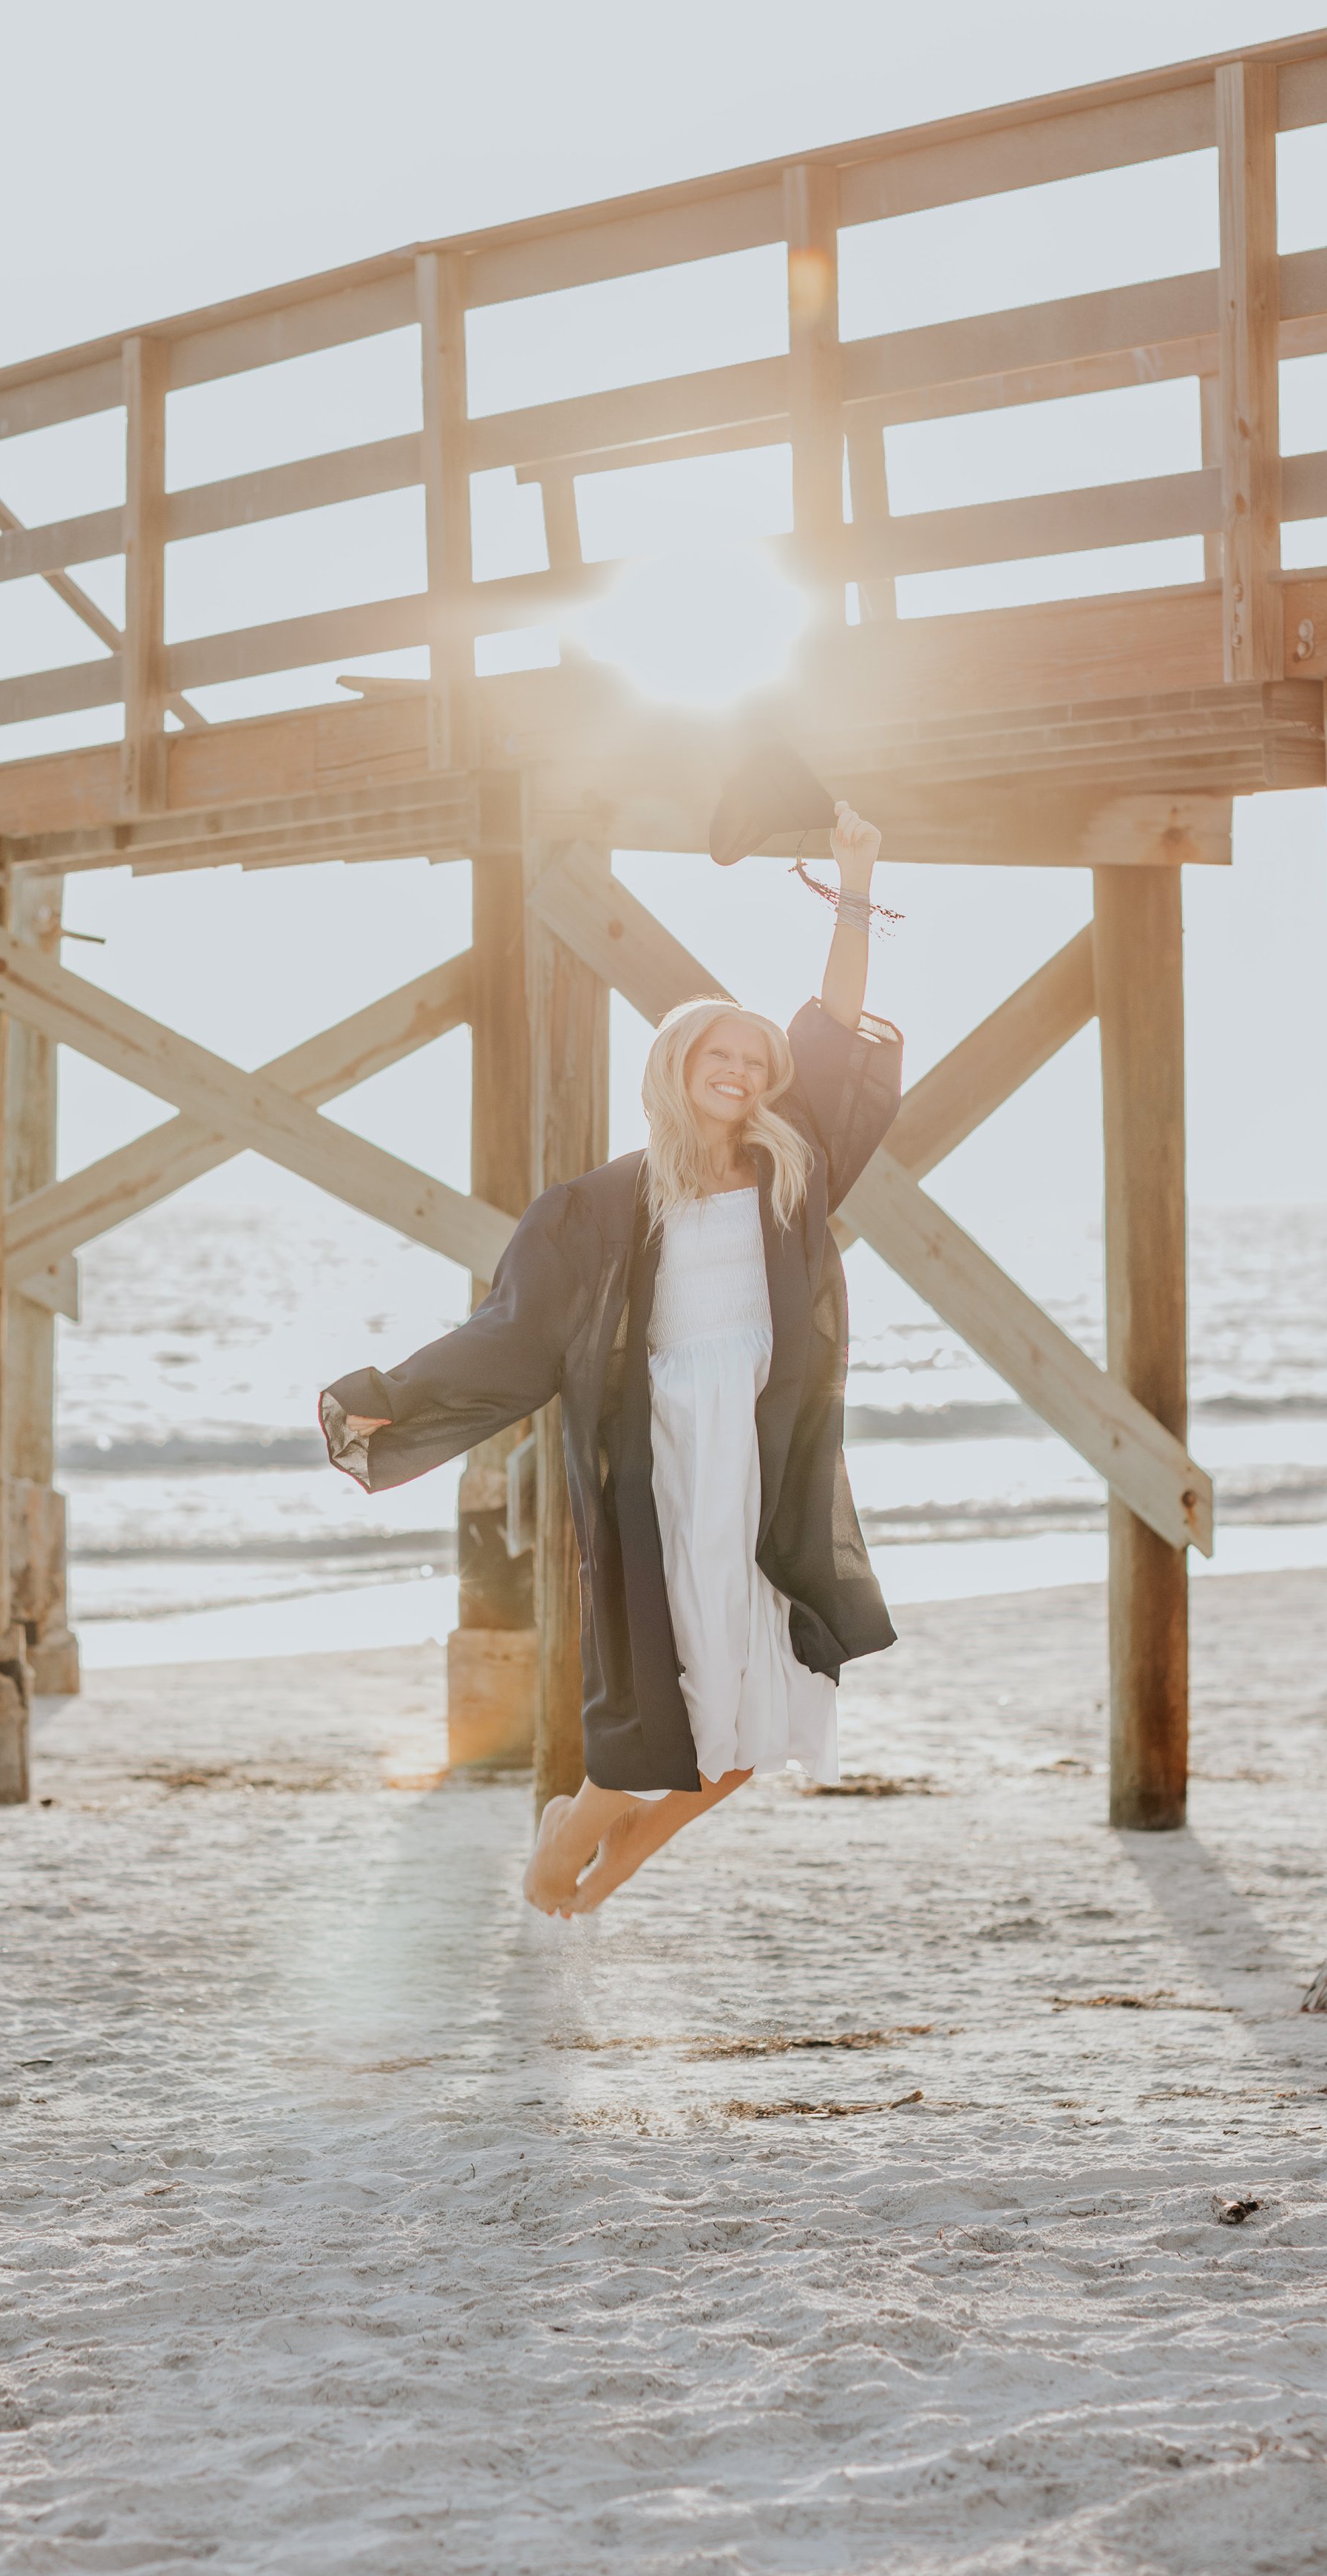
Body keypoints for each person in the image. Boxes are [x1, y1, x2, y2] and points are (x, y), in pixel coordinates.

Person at [319, 803, 902, 1916]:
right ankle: (574, 1834)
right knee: (667, 1702)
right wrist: (394, 1401)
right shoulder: (601, 1204)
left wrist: (856, 878)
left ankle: (621, 1853)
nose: (738, 1069)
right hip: (668, 1454)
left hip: (769, 1453)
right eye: (717, 1053)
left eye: (754, 1059)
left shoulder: (798, 1164)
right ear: (677, 1065)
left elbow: (835, 1017)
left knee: (764, 1711)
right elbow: (514, 1329)